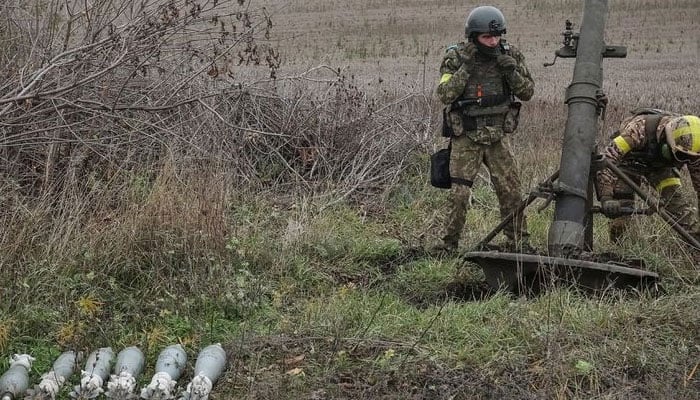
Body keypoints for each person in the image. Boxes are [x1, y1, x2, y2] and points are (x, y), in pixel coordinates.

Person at [433, 5, 534, 252]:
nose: (493, 42)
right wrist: (466, 68)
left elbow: (527, 92)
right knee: (459, 195)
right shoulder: (456, 57)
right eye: (487, 37)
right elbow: (445, 94)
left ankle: (518, 245)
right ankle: (449, 245)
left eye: (497, 36)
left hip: (498, 135)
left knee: (511, 192)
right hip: (467, 135)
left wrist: (511, 72)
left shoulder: (510, 55)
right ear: (473, 37)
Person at [596, 109, 700, 243]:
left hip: (660, 168)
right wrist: (606, 197)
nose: (685, 161)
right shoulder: (637, 130)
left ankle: (695, 249)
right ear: (667, 140)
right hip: (628, 164)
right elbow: (607, 160)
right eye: (681, 156)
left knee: (680, 211)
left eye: (690, 158)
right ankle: (618, 248)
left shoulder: (693, 151)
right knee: (621, 217)